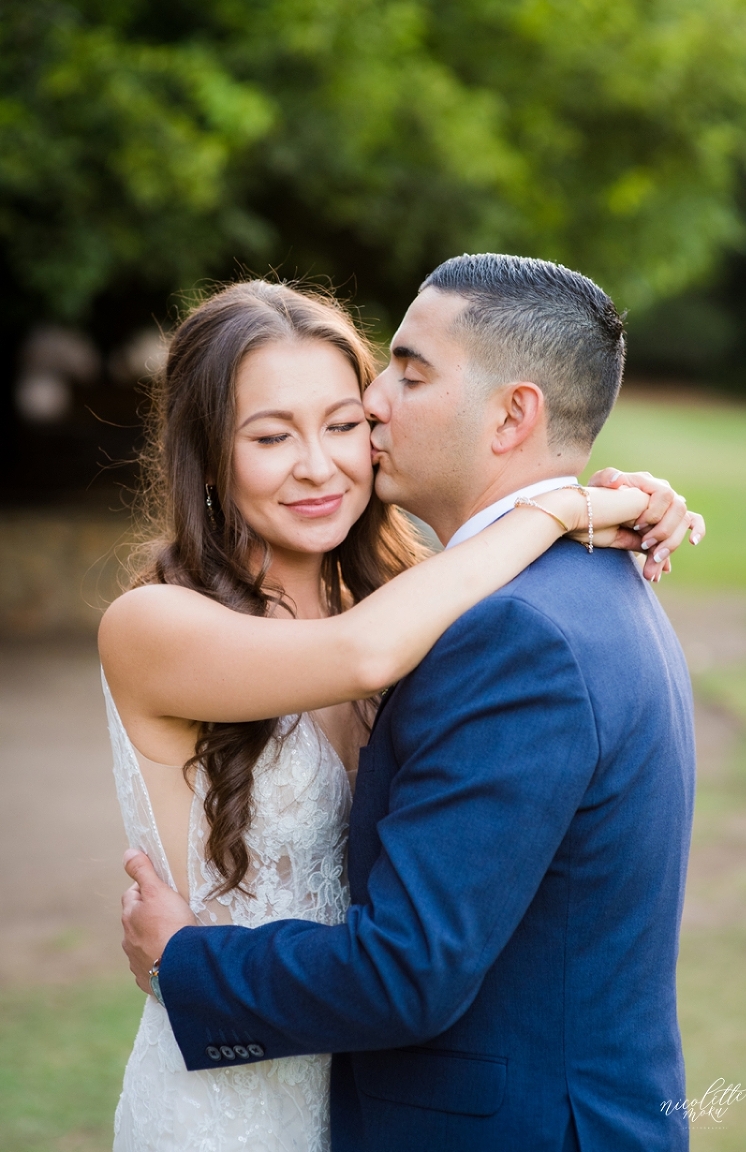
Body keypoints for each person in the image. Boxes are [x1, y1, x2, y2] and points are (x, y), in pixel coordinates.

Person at [111, 263, 702, 1152]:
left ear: (513, 415)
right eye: (271, 436)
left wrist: (573, 505)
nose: (371, 414)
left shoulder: (473, 619)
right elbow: (363, 656)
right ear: (210, 455)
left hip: (380, 1074)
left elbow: (410, 964)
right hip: (239, 1098)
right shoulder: (165, 624)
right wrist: (559, 509)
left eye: (353, 414)